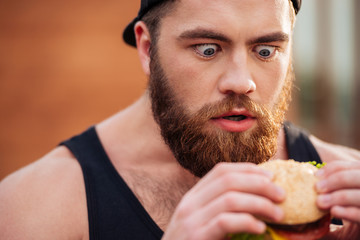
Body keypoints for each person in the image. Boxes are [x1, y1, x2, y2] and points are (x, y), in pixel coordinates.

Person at [0, 0, 359, 239]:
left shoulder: (346, 187)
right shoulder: (32, 210)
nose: (240, 81)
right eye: (207, 49)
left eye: (266, 50)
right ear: (147, 48)